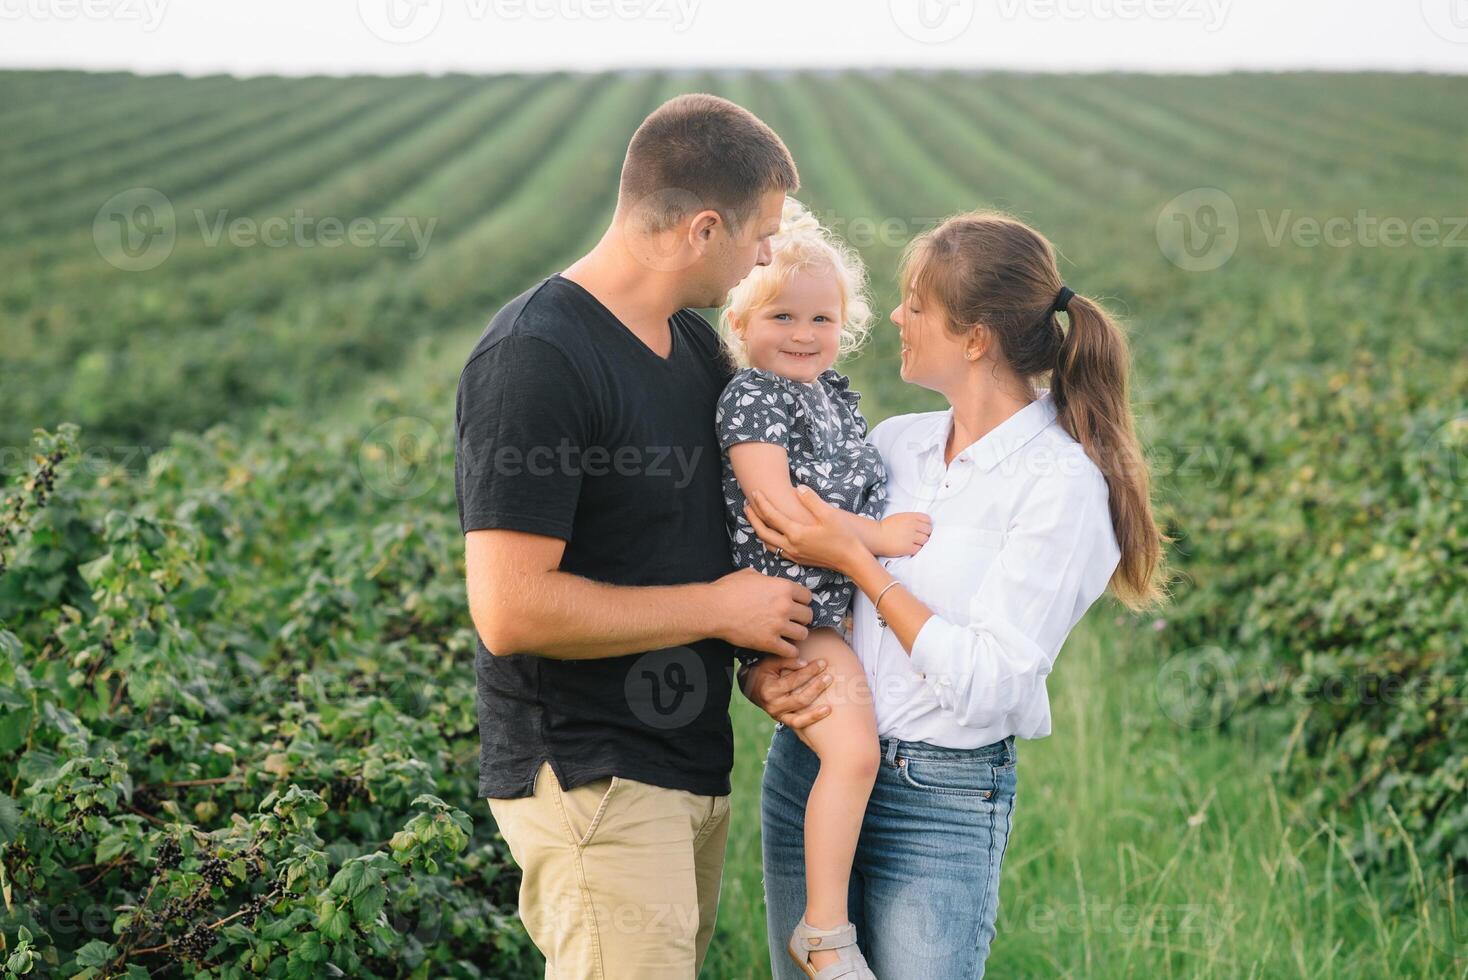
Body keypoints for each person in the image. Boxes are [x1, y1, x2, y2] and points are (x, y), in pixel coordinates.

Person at [739, 210, 1167, 978]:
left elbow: (990, 683)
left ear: (975, 338)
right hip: (812, 764)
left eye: (916, 304)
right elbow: (798, 572)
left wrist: (865, 564)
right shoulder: (896, 441)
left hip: (936, 803)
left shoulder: (1060, 485)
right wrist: (760, 670)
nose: (897, 317)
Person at [454, 93, 824, 979]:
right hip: (594, 770)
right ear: (704, 230)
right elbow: (509, 610)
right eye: (761, 233)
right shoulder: (536, 358)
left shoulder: (694, 350)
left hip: (686, 760)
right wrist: (720, 608)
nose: (769, 255)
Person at [714, 197, 931, 978]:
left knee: (850, 754)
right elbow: (777, 505)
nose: (803, 335)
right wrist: (874, 539)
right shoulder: (754, 397)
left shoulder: (834, 395)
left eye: (821, 319)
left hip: (825, 609)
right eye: (782, 317)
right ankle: (825, 929)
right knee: (855, 753)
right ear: (741, 323)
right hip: (792, 609)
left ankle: (829, 918)